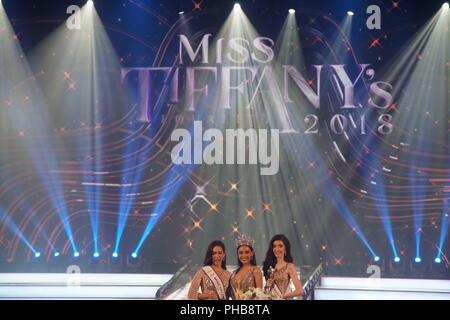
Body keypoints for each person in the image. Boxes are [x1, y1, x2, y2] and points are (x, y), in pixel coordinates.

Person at [262, 234, 304, 299]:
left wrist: (284, 296)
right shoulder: (270, 266)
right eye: (274, 246)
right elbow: (266, 291)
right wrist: (267, 286)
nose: (277, 249)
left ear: (286, 249)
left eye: (280, 246)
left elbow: (300, 291)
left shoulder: (289, 266)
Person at [229, 234, 263, 299]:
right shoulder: (234, 273)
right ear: (238, 254)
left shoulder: (256, 270)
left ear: (252, 253)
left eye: (247, 252)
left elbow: (260, 294)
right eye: (241, 253)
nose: (244, 255)